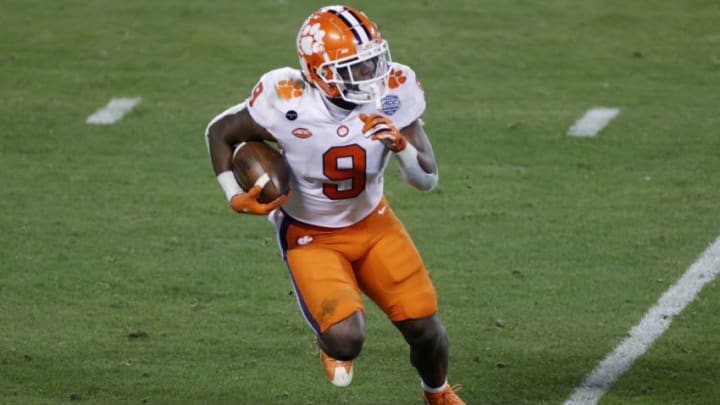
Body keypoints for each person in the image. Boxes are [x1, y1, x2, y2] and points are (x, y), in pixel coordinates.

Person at [205, 5, 465, 404]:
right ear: (320, 73)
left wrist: (402, 148)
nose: (372, 73)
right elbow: (219, 132)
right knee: (347, 340)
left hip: (375, 224)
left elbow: (426, 180)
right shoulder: (286, 99)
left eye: (373, 59)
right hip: (311, 233)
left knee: (425, 328)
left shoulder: (394, 90)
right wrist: (232, 193)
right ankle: (330, 343)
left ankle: (438, 394)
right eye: (356, 67)